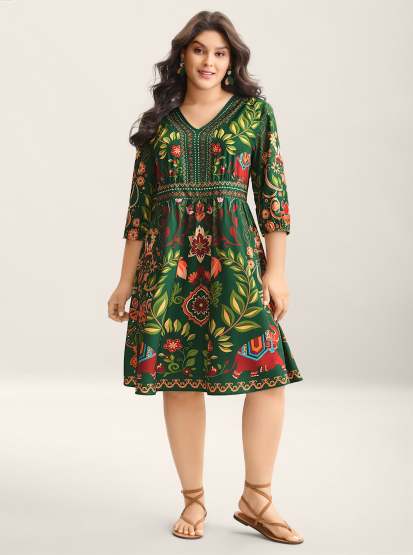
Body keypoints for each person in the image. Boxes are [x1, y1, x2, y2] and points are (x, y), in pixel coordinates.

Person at [108, 10, 304, 544]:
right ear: (182, 57)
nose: (209, 61)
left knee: (267, 376)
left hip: (236, 264)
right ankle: (193, 500)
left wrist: (277, 271)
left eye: (220, 53)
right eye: (199, 51)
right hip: (168, 268)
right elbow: (140, 211)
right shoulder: (159, 124)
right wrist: (124, 282)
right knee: (178, 380)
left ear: (232, 60)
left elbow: (274, 197)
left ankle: (257, 497)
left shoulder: (253, 114)